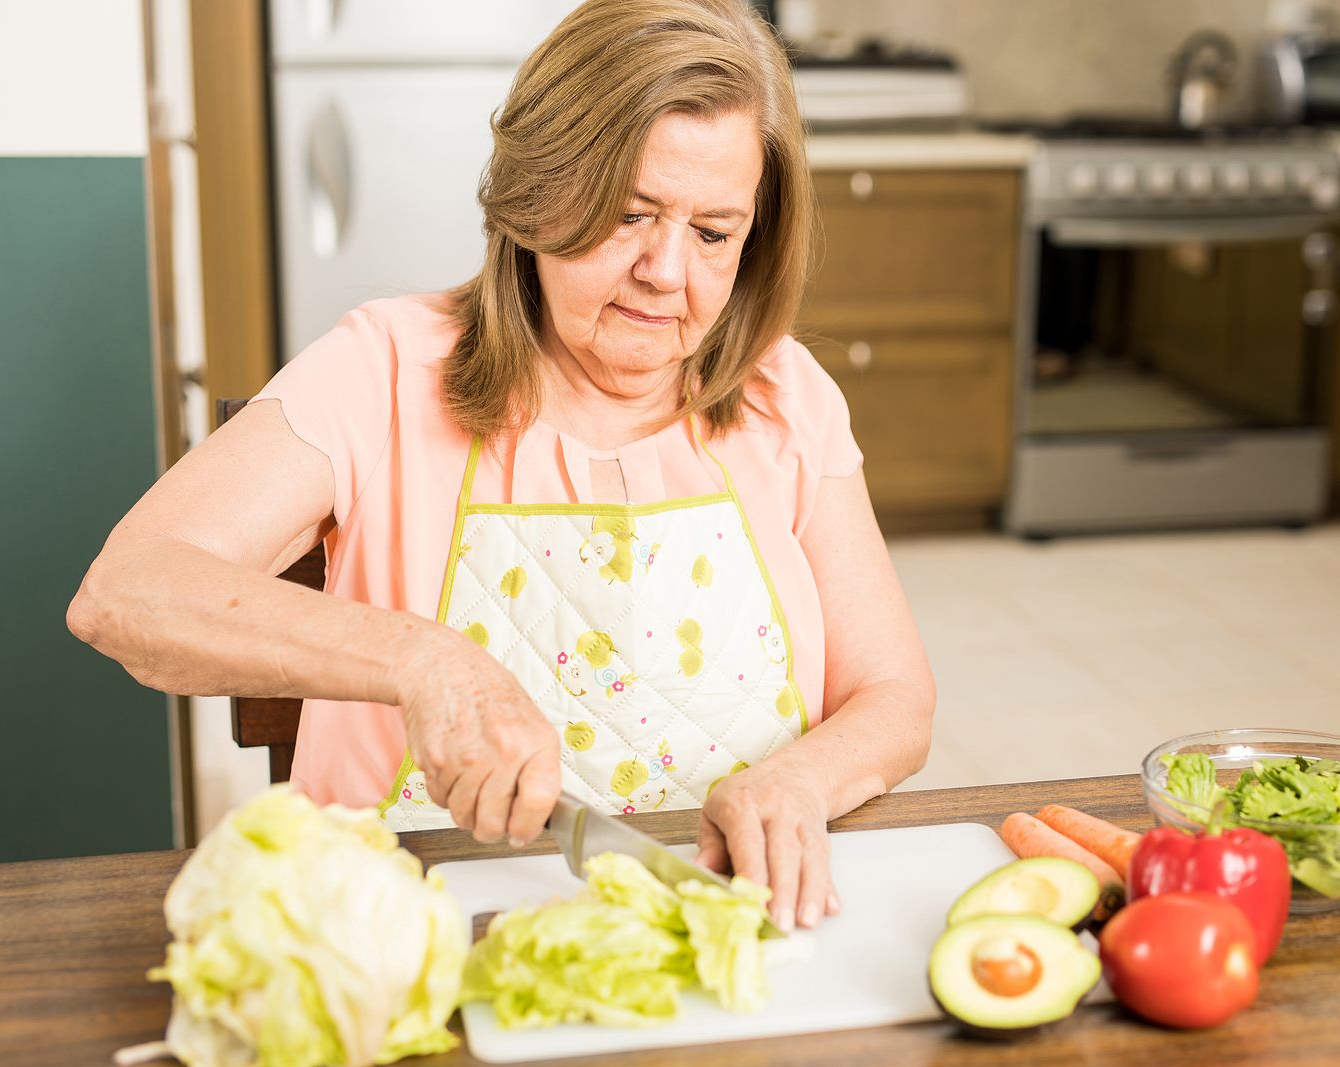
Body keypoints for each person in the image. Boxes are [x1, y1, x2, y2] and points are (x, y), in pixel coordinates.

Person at [68, 0, 934, 933]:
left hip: (719, 932)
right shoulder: (386, 370)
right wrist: (425, 660)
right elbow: (126, 591)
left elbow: (895, 696)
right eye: (628, 214)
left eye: (714, 233)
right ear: (536, 195)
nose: (667, 271)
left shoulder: (785, 394)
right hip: (410, 942)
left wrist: (802, 780)